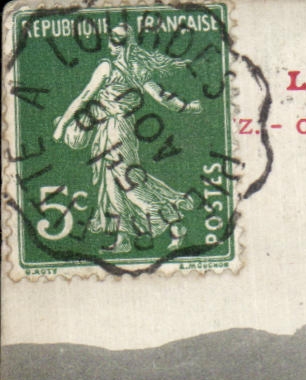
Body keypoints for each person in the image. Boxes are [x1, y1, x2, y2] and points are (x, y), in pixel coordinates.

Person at [51, 24, 202, 253]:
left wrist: (62, 125)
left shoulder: (106, 66)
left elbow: (84, 97)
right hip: (124, 130)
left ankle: (174, 222)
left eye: (114, 40)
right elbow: (160, 95)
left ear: (120, 43)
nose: (111, 44)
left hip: (113, 131)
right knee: (111, 187)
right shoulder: (138, 68)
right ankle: (122, 240)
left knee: (126, 184)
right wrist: (186, 107)